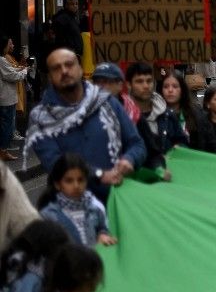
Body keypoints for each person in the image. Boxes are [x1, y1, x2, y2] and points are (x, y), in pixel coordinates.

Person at [26, 50, 146, 203]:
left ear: (80, 69)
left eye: (69, 64)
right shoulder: (40, 117)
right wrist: (99, 175)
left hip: (117, 201)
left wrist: (130, 159)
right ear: (49, 76)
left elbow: (137, 144)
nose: (64, 71)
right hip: (71, 209)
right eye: (56, 68)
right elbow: (56, 164)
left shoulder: (107, 102)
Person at [37, 154, 115, 248]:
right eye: (69, 181)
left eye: (80, 180)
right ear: (57, 184)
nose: (76, 185)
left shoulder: (95, 208)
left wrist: (102, 234)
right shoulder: (48, 216)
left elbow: (102, 228)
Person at [127, 63, 187, 155]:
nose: (146, 86)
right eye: (139, 81)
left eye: (149, 81)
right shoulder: (122, 115)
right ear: (129, 85)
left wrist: (178, 148)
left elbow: (182, 142)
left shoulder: (167, 114)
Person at [159, 71, 216, 153]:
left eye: (175, 86)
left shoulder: (198, 115)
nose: (170, 90)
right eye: (166, 87)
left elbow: (213, 146)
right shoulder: (156, 115)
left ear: (182, 90)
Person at [0, 37, 27, 161]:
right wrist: (25, 71)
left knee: (5, 125)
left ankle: (3, 150)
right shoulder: (1, 60)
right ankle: (3, 151)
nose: (11, 45)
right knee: (7, 126)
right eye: (9, 43)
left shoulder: (3, 60)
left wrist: (20, 69)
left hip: (5, 97)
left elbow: (10, 71)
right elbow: (12, 76)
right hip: (6, 98)